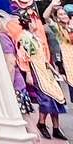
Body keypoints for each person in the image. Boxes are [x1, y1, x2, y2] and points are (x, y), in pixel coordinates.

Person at [18, 7, 67, 139]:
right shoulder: (24, 38)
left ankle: (56, 127)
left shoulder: (35, 37)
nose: (35, 24)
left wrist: (53, 70)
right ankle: (41, 123)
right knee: (45, 98)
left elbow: (43, 58)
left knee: (56, 96)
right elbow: (23, 57)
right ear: (28, 23)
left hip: (45, 70)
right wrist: (28, 73)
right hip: (36, 72)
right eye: (33, 21)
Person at [0, 12, 41, 138]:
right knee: (26, 120)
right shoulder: (6, 35)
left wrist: (8, 85)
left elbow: (11, 61)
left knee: (26, 121)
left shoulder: (1, 37)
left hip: (15, 85)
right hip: (18, 84)